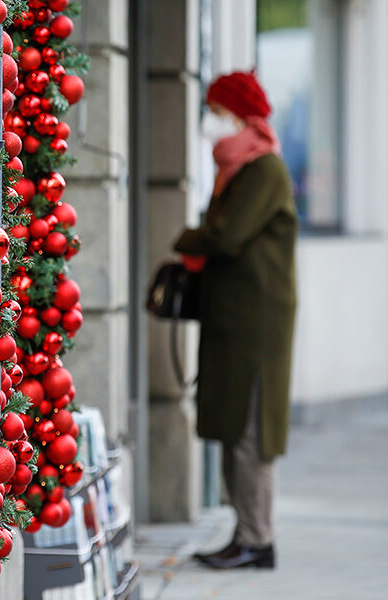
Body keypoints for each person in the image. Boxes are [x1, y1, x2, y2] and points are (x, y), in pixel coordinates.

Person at [173, 71, 297, 570]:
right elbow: (220, 233)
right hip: (234, 319)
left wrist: (186, 238)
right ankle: (243, 534)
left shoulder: (263, 170)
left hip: (256, 325)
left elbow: (223, 237)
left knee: (251, 432)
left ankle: (257, 540)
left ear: (238, 115)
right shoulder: (238, 170)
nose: (209, 120)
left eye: (216, 110)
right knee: (232, 429)